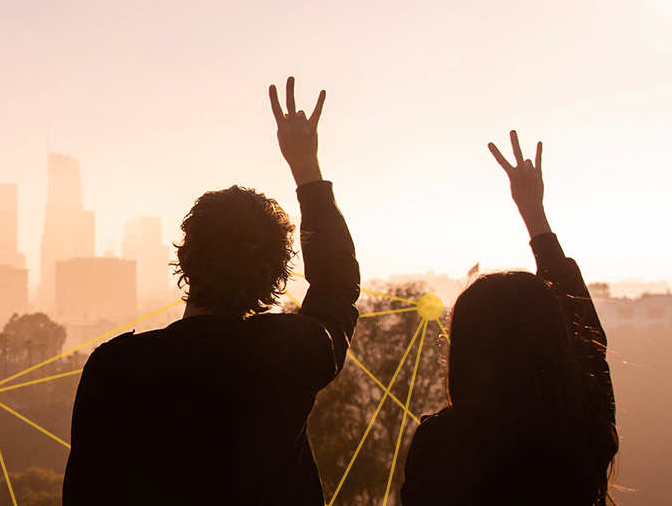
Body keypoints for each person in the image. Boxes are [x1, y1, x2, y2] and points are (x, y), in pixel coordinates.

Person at [63, 77, 361, 504]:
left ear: (183, 260)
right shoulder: (296, 353)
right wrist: (306, 171)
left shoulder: (117, 370)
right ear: (279, 275)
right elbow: (337, 281)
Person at [399, 132, 618, 505]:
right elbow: (589, 345)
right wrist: (535, 217)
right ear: (556, 341)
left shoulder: (441, 444)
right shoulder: (581, 430)